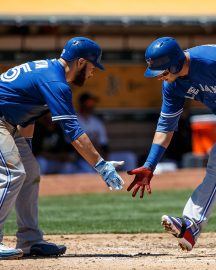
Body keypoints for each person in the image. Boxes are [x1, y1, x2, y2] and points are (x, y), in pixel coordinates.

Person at [127, 37, 216, 254]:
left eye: (163, 72)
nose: (160, 78)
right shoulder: (172, 85)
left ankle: (191, 225)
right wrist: (150, 165)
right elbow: (165, 127)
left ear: (175, 64)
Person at [0, 37, 125, 259]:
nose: (92, 72)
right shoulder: (56, 82)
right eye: (92, 66)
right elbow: (74, 132)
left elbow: (28, 118)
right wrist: (101, 165)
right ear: (80, 62)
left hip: (9, 122)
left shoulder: (49, 72)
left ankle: (30, 240)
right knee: (13, 173)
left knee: (30, 171)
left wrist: (26, 151)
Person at [76, 92, 109, 173]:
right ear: (81, 104)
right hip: (81, 158)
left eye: (93, 103)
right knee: (89, 171)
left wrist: (103, 158)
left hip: (98, 156)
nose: (91, 105)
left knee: (129, 157)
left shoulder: (97, 122)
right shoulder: (73, 121)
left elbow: (104, 145)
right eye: (89, 102)